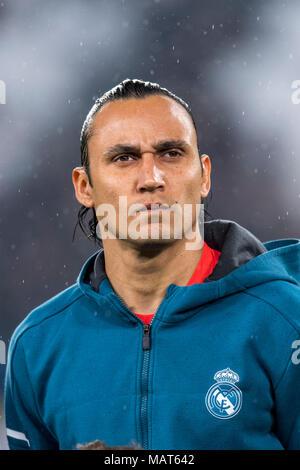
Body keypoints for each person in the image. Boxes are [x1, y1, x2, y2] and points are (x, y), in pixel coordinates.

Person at [4, 79, 300, 450]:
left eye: (171, 153)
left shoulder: (286, 319)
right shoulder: (38, 345)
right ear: (85, 187)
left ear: (204, 175)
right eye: (124, 157)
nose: (151, 179)